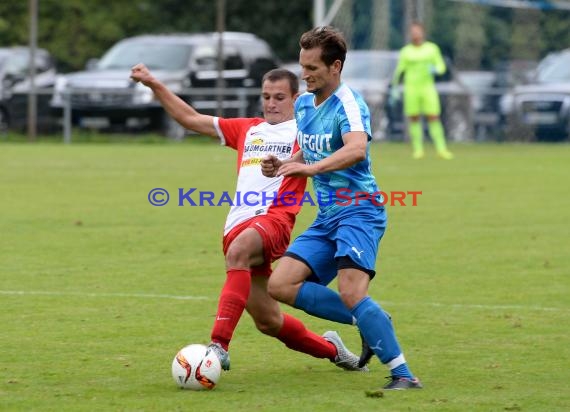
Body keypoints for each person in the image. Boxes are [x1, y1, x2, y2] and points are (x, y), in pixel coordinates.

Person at [129, 64, 368, 373]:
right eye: (266, 96)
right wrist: (153, 83)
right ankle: (332, 350)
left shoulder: (306, 131)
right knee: (268, 321)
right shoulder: (247, 128)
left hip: (274, 219)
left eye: (280, 97)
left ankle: (217, 346)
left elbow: (342, 148)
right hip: (236, 226)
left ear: (297, 99)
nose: (271, 103)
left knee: (239, 251)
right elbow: (190, 119)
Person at [261, 26, 422, 390]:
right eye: (302, 66)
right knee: (281, 284)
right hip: (328, 216)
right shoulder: (303, 104)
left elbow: (355, 149)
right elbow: (310, 149)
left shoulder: (349, 104)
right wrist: (283, 162)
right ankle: (370, 320)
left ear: (335, 67)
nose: (305, 75)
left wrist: (310, 169)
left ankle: (403, 374)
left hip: (360, 211)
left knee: (351, 292)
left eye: (312, 68)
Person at [391, 21, 454, 160]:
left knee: (433, 116)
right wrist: (394, 87)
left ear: (422, 32)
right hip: (411, 88)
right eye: (412, 32)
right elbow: (399, 70)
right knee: (414, 118)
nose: (415, 34)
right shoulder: (406, 51)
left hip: (427, 88)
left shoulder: (432, 48)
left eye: (417, 31)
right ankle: (418, 150)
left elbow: (441, 67)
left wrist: (435, 69)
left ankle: (441, 149)